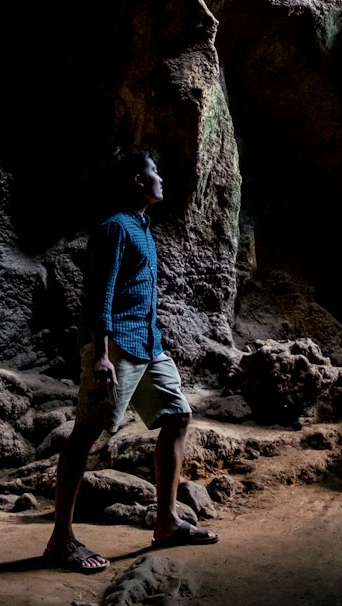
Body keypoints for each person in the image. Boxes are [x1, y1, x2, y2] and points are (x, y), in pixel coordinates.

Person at [44, 146, 218, 572]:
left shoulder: (142, 226)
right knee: (85, 434)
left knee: (177, 416)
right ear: (138, 182)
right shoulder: (114, 229)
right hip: (117, 346)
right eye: (155, 171)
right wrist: (100, 356)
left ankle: (166, 520)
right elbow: (98, 297)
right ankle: (60, 540)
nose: (162, 178)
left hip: (148, 343)